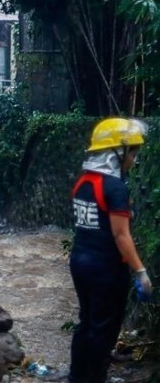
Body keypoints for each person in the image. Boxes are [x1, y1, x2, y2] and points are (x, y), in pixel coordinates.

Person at [68, 118, 153, 383]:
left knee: (87, 322)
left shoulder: (84, 181)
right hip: (104, 268)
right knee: (104, 330)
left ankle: (77, 377)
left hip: (80, 261)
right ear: (117, 153)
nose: (134, 160)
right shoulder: (114, 188)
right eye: (132, 153)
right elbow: (121, 235)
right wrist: (140, 271)